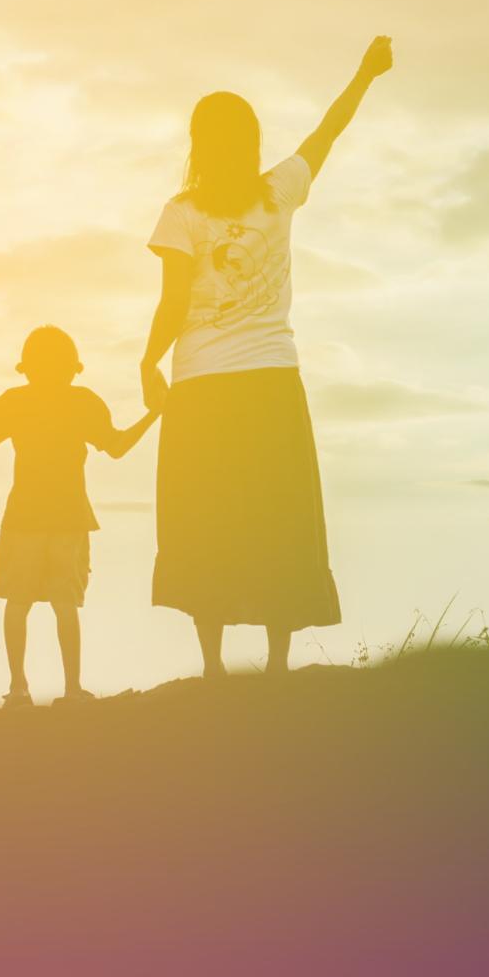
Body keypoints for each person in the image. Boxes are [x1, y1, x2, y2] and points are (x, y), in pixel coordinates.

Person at [139, 35, 394, 677]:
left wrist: (146, 363)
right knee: (278, 520)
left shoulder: (181, 212)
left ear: (198, 145)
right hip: (273, 384)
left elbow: (174, 302)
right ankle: (278, 664)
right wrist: (366, 73)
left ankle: (214, 668)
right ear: (252, 142)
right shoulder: (278, 190)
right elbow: (328, 130)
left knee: (206, 520)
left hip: (202, 387)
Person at [0, 327, 160, 707]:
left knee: (18, 602)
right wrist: (155, 412)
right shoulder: (83, 401)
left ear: (26, 367)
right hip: (69, 517)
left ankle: (18, 688)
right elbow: (118, 446)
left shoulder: (16, 401)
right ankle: (71, 689)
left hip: (25, 517)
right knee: (65, 605)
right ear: (73, 367)